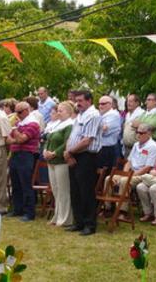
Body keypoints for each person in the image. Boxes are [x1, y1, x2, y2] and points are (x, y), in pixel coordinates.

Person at [64, 90, 102, 236]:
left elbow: (87, 140)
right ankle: (78, 222)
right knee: (75, 190)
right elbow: (73, 136)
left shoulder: (93, 115)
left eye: (80, 100)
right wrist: (68, 153)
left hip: (86, 156)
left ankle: (89, 224)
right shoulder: (80, 115)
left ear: (89, 101)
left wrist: (70, 152)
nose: (77, 103)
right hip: (74, 155)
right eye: (76, 100)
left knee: (86, 191)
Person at [105, 123, 156, 219]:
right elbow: (129, 162)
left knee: (124, 181)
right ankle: (107, 208)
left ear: (149, 134)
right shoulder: (136, 144)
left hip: (144, 175)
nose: (138, 134)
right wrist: (125, 173)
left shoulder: (153, 146)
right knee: (109, 178)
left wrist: (129, 176)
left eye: (142, 133)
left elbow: (148, 167)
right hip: (131, 173)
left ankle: (123, 211)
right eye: (137, 132)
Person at [6, 102, 40, 222]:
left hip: (26, 155)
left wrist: (15, 130)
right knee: (16, 183)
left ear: (26, 111)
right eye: (16, 112)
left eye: (19, 112)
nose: (17, 115)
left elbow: (21, 139)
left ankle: (29, 212)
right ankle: (17, 209)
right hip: (16, 154)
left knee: (25, 184)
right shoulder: (20, 123)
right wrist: (16, 137)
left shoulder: (33, 124)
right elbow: (9, 140)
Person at [43, 101, 75, 227]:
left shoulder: (70, 125)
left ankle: (66, 218)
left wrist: (55, 153)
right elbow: (48, 139)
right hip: (51, 162)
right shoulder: (57, 124)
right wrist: (45, 150)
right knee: (56, 190)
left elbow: (67, 142)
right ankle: (57, 216)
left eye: (61, 111)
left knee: (63, 190)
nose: (58, 113)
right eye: (58, 110)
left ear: (68, 112)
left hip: (61, 161)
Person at [97, 95, 122, 170]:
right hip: (102, 148)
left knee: (105, 174)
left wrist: (95, 128)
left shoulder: (113, 114)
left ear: (110, 104)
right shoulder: (102, 114)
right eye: (99, 104)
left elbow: (104, 130)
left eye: (103, 104)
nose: (100, 106)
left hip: (108, 149)